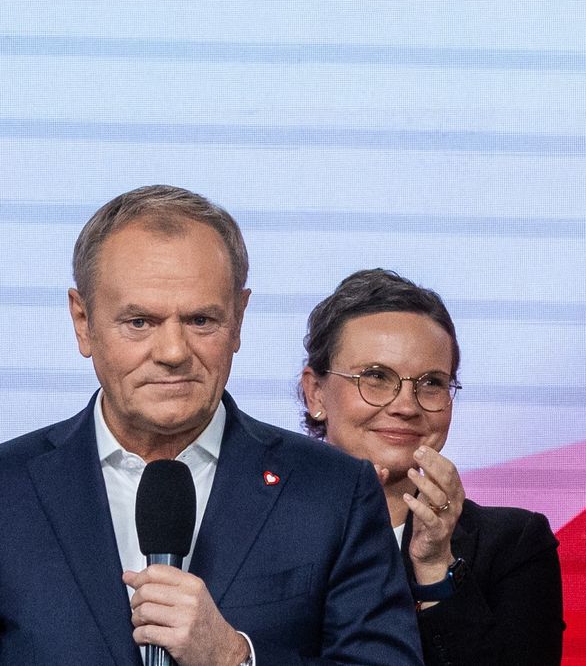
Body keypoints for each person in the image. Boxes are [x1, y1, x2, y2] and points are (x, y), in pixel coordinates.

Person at [0, 186, 422, 664]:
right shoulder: (8, 489)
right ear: (83, 322)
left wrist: (232, 658)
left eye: (201, 320)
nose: (173, 352)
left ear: (238, 319)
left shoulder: (335, 492)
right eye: (139, 322)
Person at [299, 268, 564, 666]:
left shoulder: (513, 545)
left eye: (431, 383)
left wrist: (436, 568)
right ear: (316, 393)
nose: (406, 406)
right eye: (376, 376)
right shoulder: (253, 531)